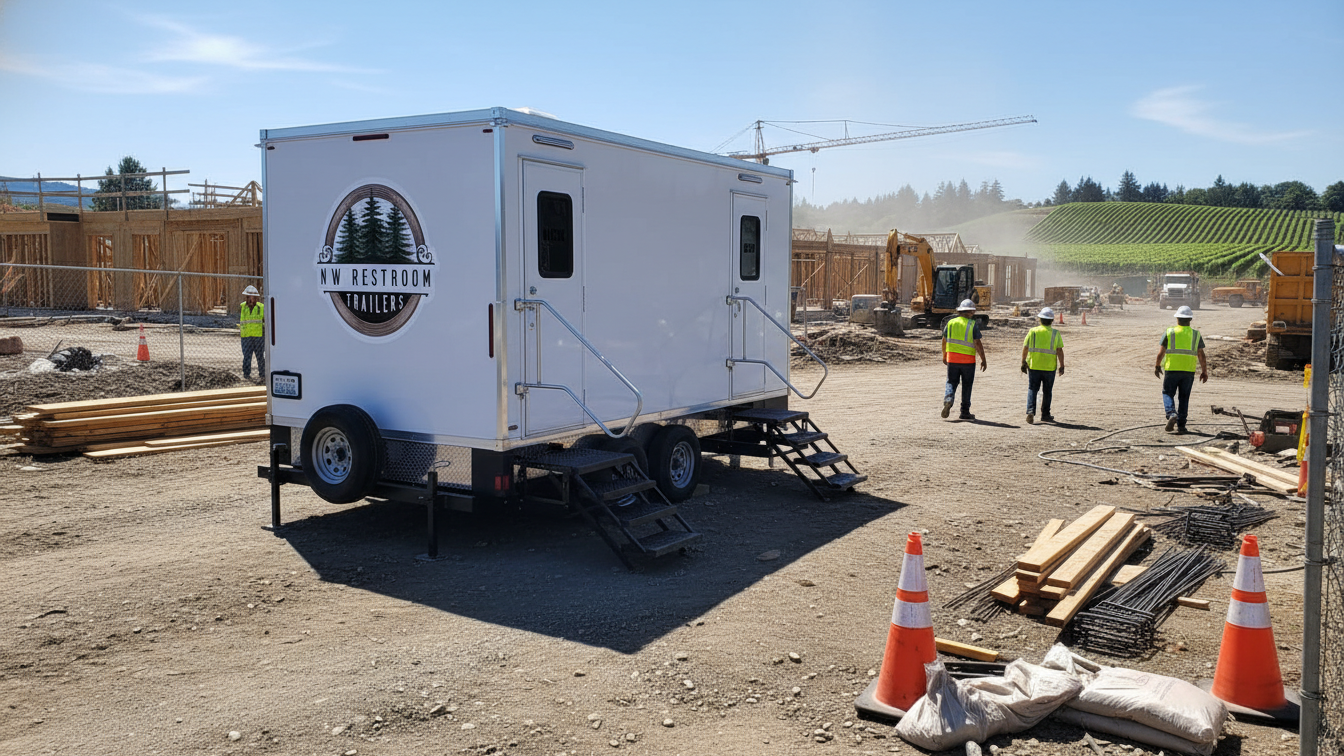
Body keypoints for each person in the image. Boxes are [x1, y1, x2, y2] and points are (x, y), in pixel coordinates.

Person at [1154, 305, 1207, 433]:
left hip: (1172, 369)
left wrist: (1157, 366)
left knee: (1167, 393)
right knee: (1184, 397)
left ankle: (1172, 413)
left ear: (1177, 318)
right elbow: (1201, 354)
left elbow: (1161, 352)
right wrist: (1204, 371)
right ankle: (1181, 425)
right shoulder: (1196, 334)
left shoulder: (1170, 332)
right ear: (1190, 320)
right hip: (1188, 371)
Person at [941, 299, 987, 421]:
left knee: (951, 382)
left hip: (952, 359)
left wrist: (944, 354)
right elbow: (977, 343)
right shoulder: (972, 324)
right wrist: (983, 359)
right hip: (968, 361)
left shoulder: (950, 323)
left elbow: (944, 340)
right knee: (967, 386)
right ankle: (965, 412)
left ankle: (948, 399)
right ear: (971, 312)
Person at [1021, 307, 1065, 424]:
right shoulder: (1055, 333)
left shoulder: (1033, 331)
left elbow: (1025, 347)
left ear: (1040, 319)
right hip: (1049, 367)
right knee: (1047, 391)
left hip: (1034, 365)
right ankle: (1045, 415)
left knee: (1032, 389)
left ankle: (1030, 411)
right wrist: (1062, 365)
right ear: (1052, 321)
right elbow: (1059, 350)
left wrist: (1023, 361)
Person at [240, 285, 266, 382]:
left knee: (260, 356)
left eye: (253, 297)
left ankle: (262, 375)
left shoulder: (261, 307)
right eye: (249, 296)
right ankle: (246, 375)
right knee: (247, 356)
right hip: (246, 336)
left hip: (258, 336)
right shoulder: (242, 307)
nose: (251, 299)